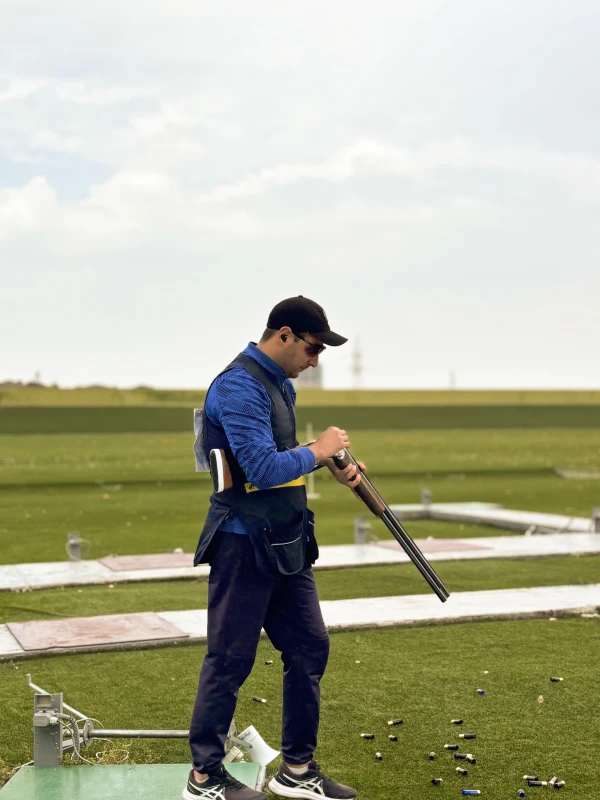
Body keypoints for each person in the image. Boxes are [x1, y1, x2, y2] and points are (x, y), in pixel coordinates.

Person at [184, 295, 364, 800]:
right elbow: (261, 470)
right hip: (243, 542)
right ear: (283, 335)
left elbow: (274, 455)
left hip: (286, 540)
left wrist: (330, 462)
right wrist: (318, 449)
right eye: (311, 348)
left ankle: (298, 771)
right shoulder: (239, 384)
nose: (315, 360)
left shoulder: (280, 383)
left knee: (309, 647)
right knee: (230, 660)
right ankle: (204, 780)